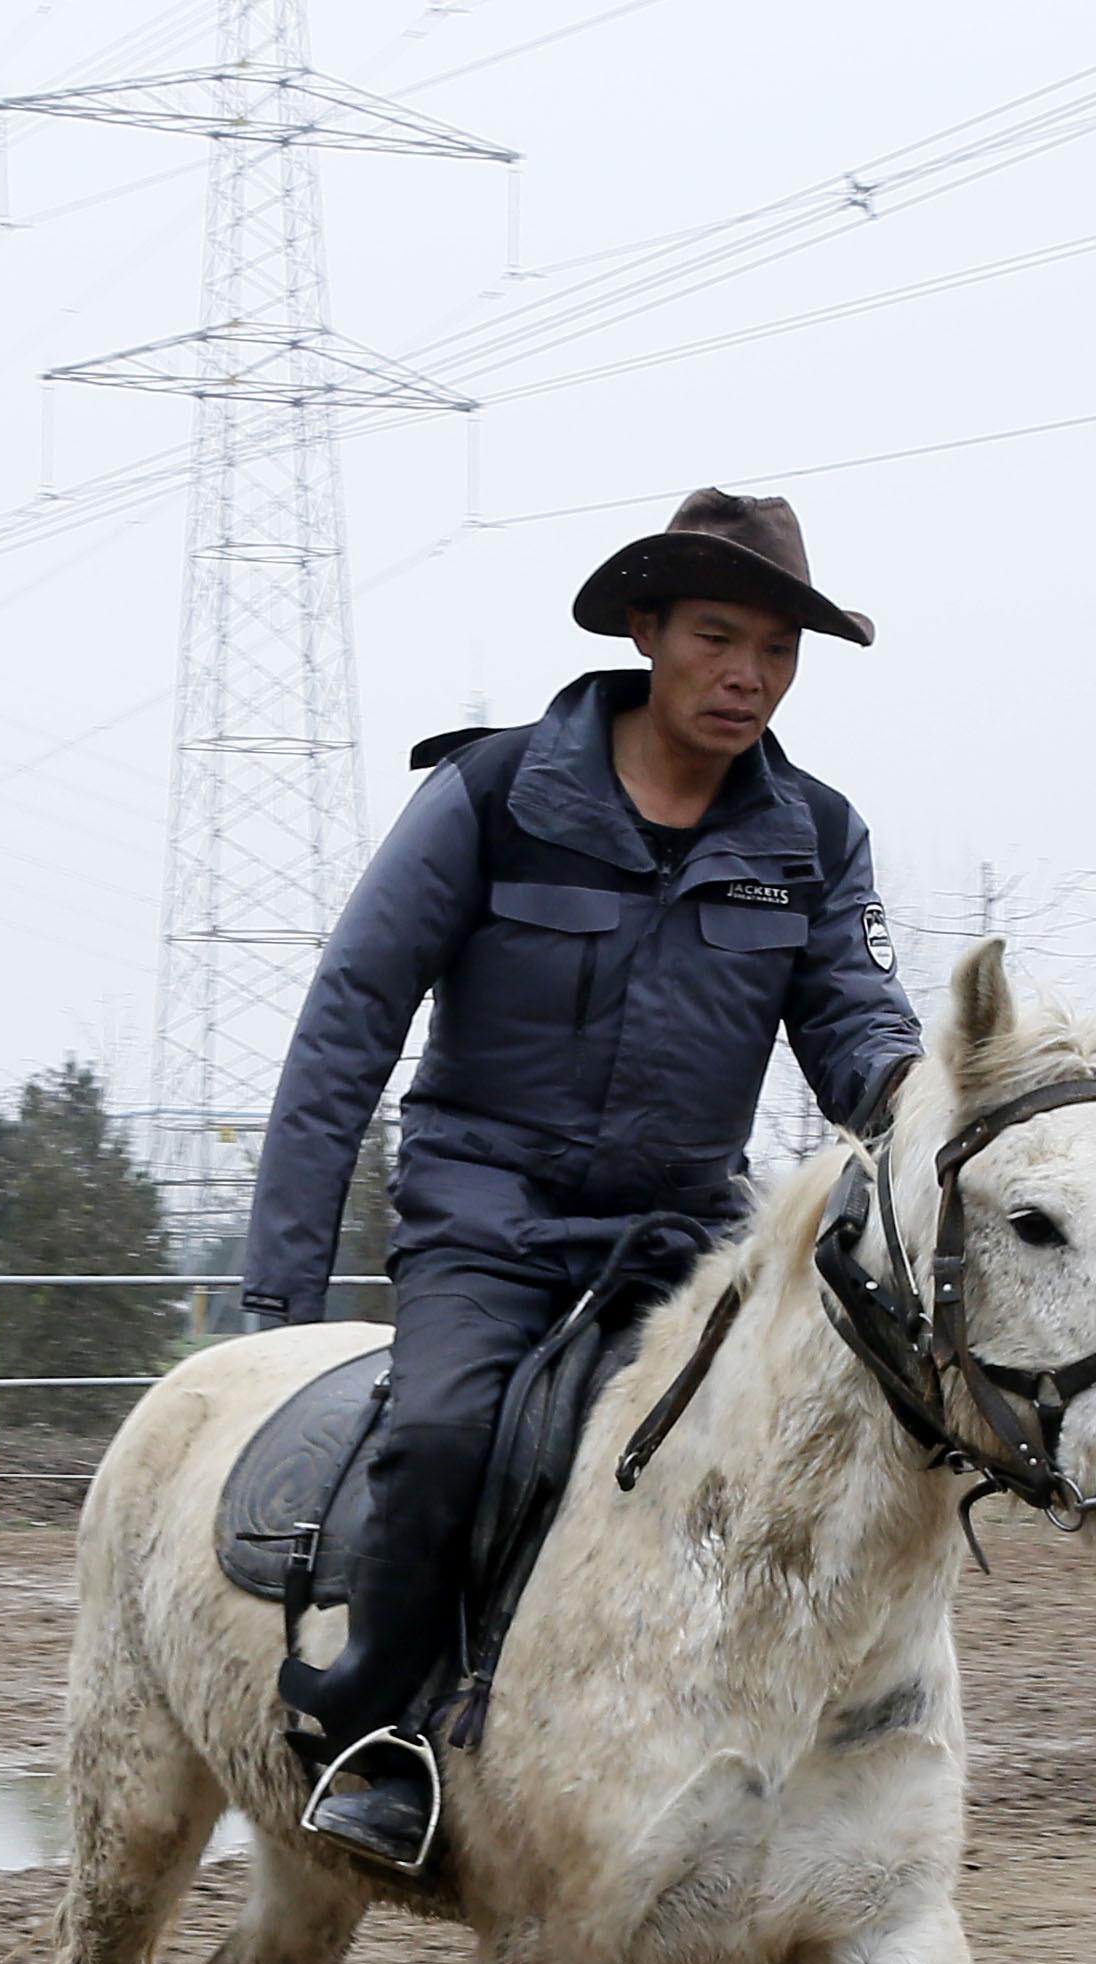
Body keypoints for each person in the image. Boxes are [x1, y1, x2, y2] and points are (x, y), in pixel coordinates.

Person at [235, 487, 923, 1869]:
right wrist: (282, 1299)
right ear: (644, 627)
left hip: (680, 1235)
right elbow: (348, 1024)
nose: (748, 677)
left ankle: (746, 1748)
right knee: (443, 1437)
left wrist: (933, 1102)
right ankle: (389, 1736)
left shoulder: (815, 841)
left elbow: (855, 1027)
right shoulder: (488, 799)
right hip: (486, 1220)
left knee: (788, 1446)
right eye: (719, 639)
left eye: (777, 654)